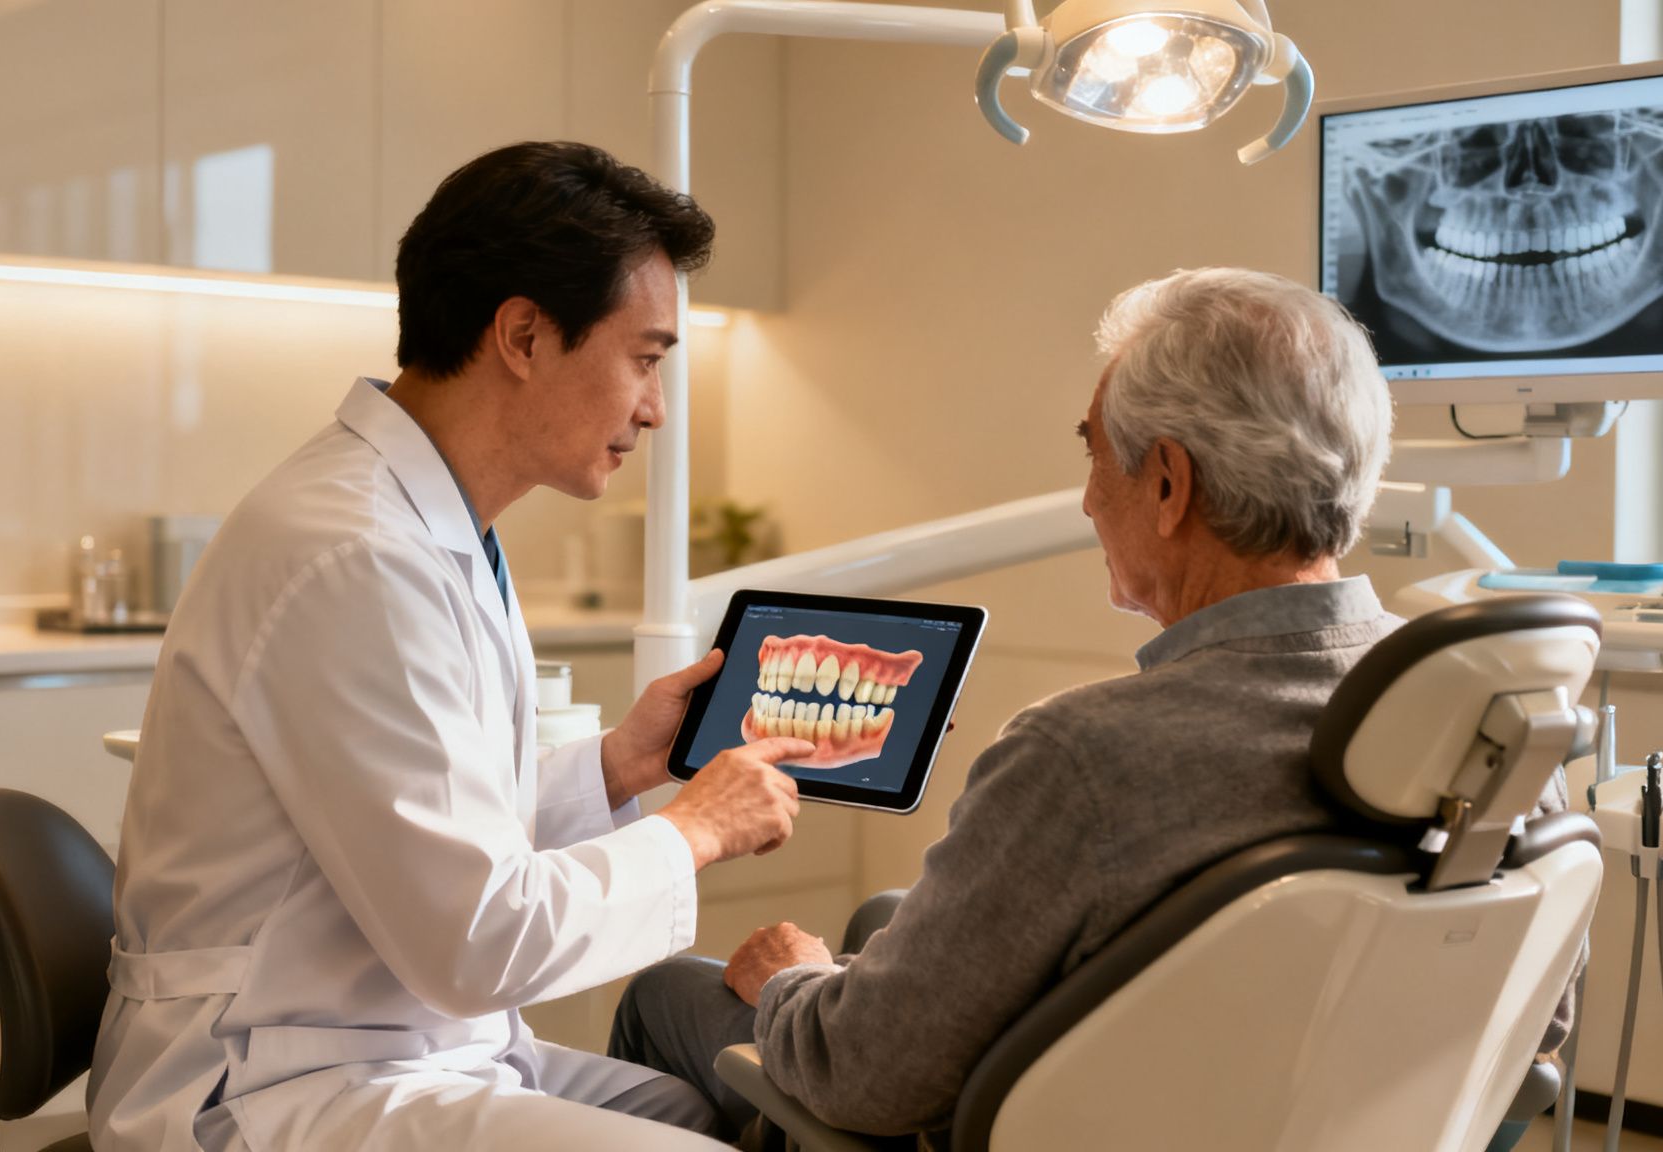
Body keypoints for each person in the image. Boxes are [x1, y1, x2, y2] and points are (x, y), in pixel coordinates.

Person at [608, 267, 1578, 1152]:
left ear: (1169, 484)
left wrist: (789, 981)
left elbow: (862, 1077)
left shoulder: (1083, 759)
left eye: (1094, 454)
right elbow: (1536, 1025)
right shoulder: (1490, 722)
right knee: (886, 919)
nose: (1083, 501)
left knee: (670, 991)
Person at [88, 141, 816, 1152]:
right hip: (271, 1077)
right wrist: (696, 828)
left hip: (391, 1040)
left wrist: (619, 766)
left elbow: (431, 832)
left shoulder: (425, 524)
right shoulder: (354, 554)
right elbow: (478, 940)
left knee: (700, 1110)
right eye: (645, 360)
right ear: (522, 335)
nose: (653, 408)